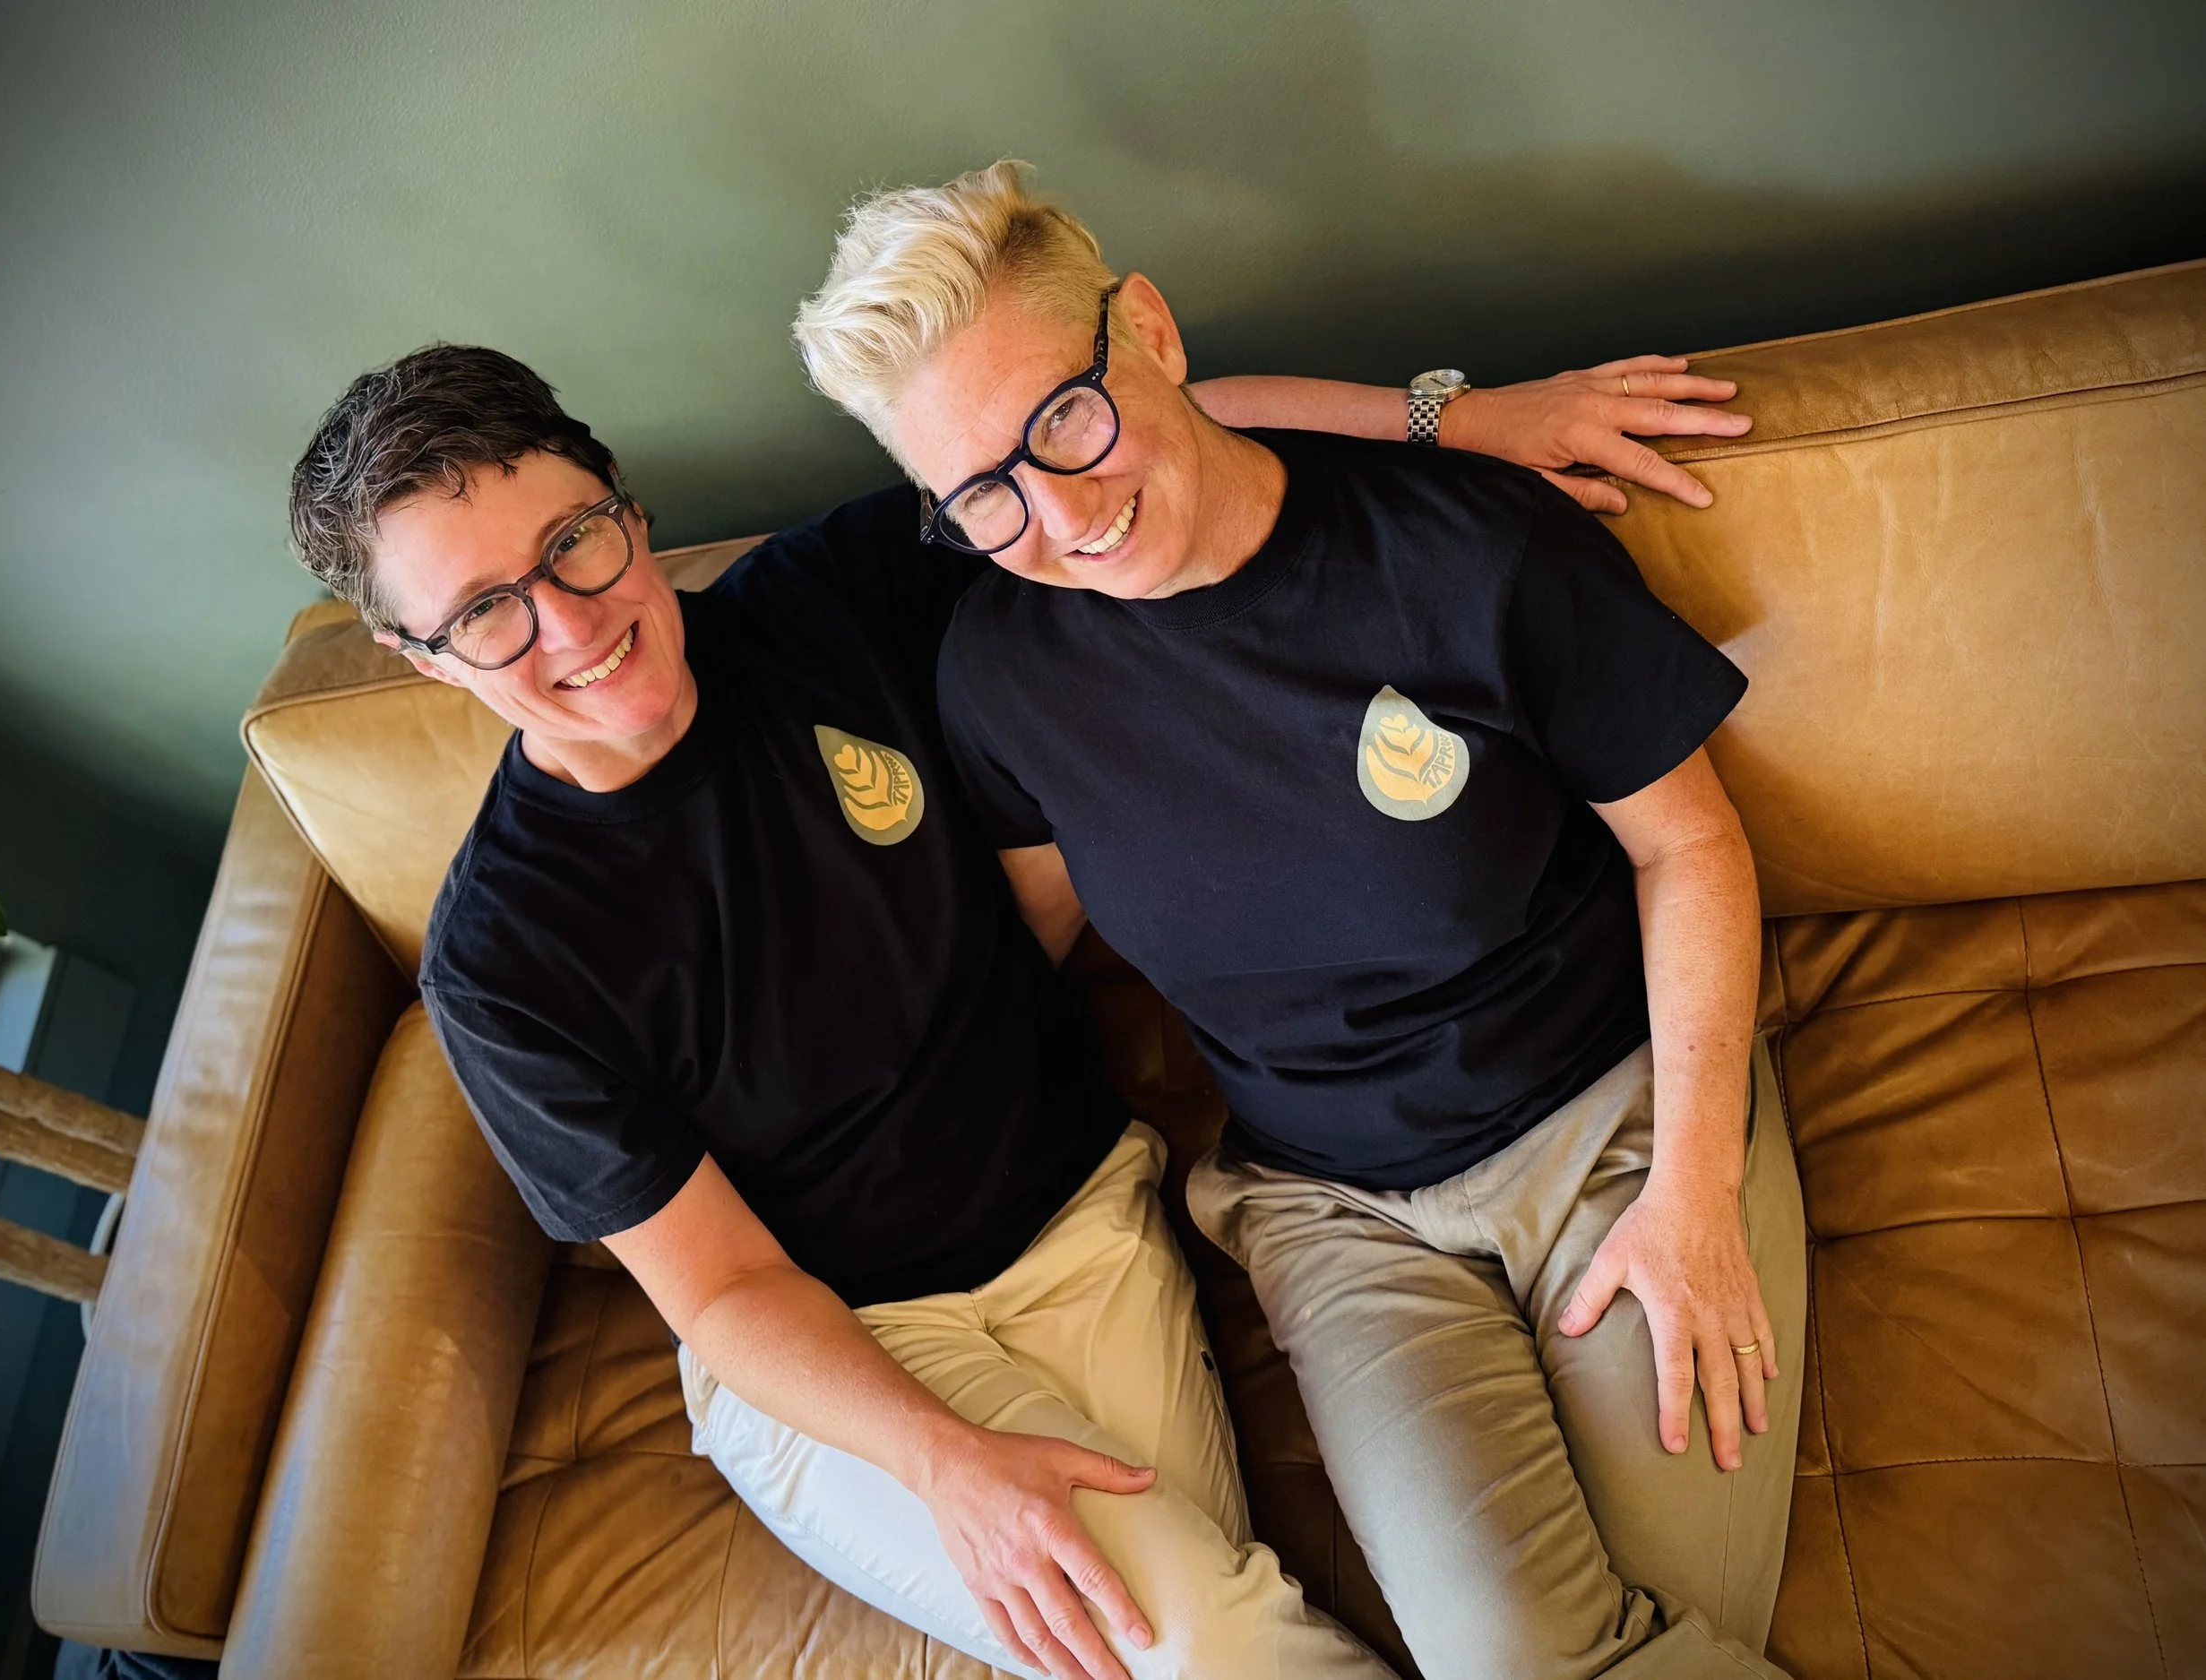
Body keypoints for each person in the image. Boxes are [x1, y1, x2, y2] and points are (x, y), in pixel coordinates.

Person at [284, 299, 1749, 1676]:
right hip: (842, 1339)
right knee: (1217, 1647)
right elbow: (722, 1289)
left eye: (574, 543)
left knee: (1217, 1626)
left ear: (626, 506)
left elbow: (1136, 431)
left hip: (1086, 1225)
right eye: (486, 612)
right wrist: (945, 1463)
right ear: (421, 658)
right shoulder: (505, 961)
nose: (568, 623)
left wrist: (1454, 419)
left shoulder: (829, 600)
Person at [794, 161, 1805, 1680]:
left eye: (1065, 420)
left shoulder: (1469, 550)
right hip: (1341, 1213)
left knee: (1652, 1633)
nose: (1061, 514)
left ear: (1149, 328)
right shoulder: (1001, 672)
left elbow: (1692, 845)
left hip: (1613, 1118)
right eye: (982, 494)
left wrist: (1697, 1192)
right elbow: (1015, 948)